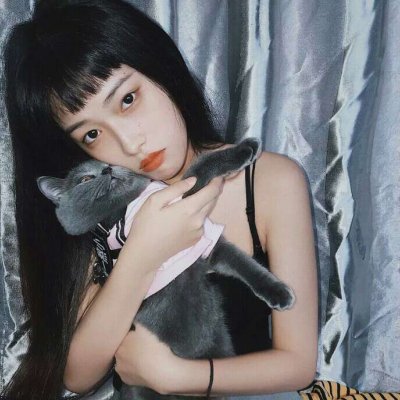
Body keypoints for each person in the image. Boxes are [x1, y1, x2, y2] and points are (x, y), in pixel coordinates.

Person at [1, 0, 318, 399]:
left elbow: (298, 365)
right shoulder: (105, 210)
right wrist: (142, 254)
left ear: (159, 67)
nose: (130, 143)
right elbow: (78, 376)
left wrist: (176, 376)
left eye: (127, 100)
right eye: (92, 135)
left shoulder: (271, 182)